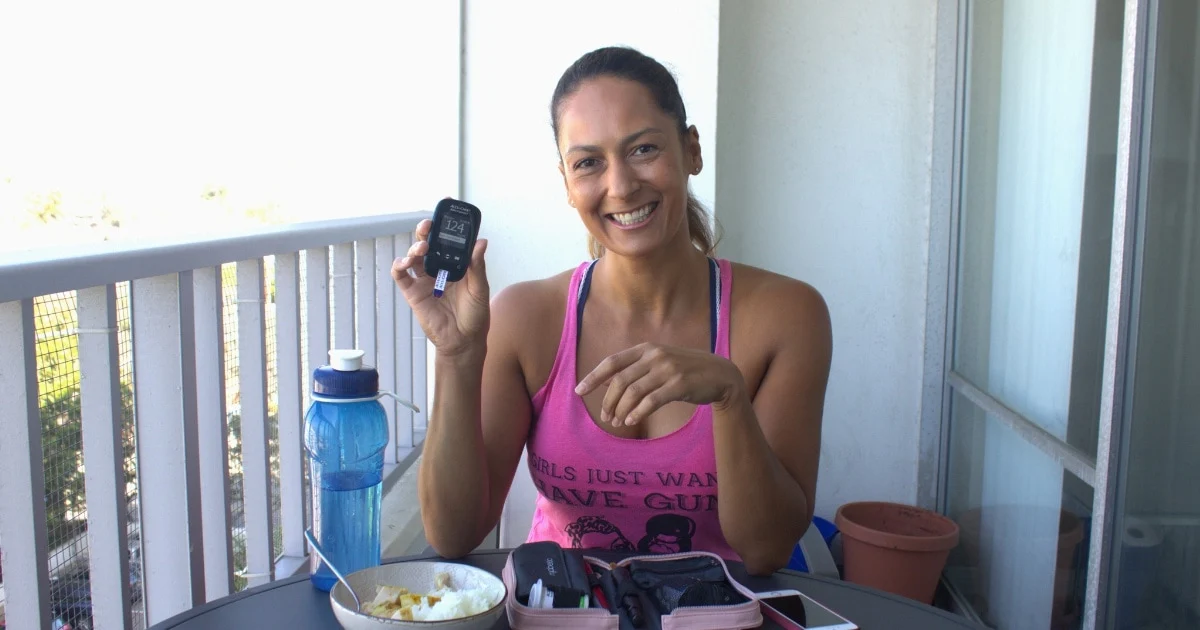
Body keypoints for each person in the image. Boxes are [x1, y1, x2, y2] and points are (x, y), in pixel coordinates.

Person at [392, 46, 832, 576]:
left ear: (691, 150)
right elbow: (452, 533)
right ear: (566, 183)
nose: (621, 186)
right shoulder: (527, 317)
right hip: (560, 609)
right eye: (588, 163)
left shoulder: (787, 315)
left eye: (644, 149)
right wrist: (456, 356)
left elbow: (767, 551)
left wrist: (729, 397)